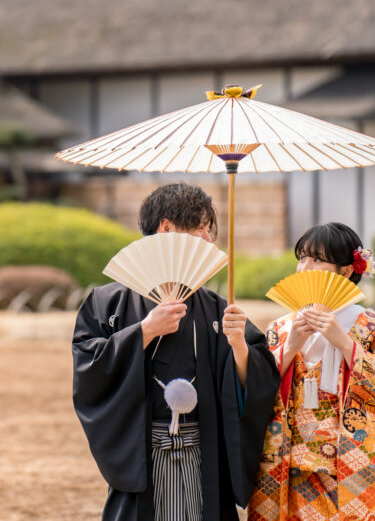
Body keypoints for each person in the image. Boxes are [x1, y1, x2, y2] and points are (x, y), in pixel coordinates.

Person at [73, 183, 281, 521]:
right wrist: (145, 330)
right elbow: (88, 366)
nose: (208, 239)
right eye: (199, 228)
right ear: (166, 228)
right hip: (141, 450)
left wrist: (240, 347)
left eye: (210, 230)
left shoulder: (216, 308)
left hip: (203, 450)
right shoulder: (106, 303)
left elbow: (258, 379)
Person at [249, 223, 375, 521]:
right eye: (302, 258)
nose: (304, 267)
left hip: (355, 462)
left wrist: (346, 344)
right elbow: (254, 387)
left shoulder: (374, 327)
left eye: (316, 259)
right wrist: (290, 347)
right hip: (293, 463)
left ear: (346, 272)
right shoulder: (281, 328)